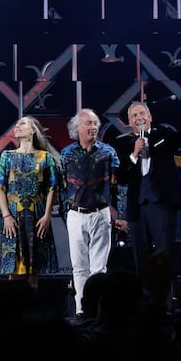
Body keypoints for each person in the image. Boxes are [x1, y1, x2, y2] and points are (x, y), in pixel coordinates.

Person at [117, 96, 181, 285]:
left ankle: (167, 301)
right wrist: (134, 153)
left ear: (150, 117)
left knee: (164, 253)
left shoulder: (163, 135)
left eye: (142, 113)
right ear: (129, 122)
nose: (138, 118)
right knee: (141, 256)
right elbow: (121, 177)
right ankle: (145, 301)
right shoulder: (123, 144)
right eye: (134, 116)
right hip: (137, 207)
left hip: (162, 203)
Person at [60, 108, 119, 318]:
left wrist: (118, 214)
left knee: (99, 267)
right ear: (77, 127)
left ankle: (98, 309)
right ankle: (81, 310)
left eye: (95, 123)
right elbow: (62, 185)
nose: (93, 127)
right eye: (88, 123)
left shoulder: (108, 152)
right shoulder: (66, 153)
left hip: (100, 213)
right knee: (79, 266)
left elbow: (117, 185)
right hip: (75, 214)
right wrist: (65, 212)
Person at [0, 116, 60, 288]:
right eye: (16, 124)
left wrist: (47, 216)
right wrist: (6, 215)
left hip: (37, 215)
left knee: (34, 269)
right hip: (14, 216)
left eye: (22, 124)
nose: (17, 126)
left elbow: (52, 188)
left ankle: (32, 309)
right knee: (14, 269)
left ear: (33, 130)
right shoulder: (7, 156)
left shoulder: (45, 157)